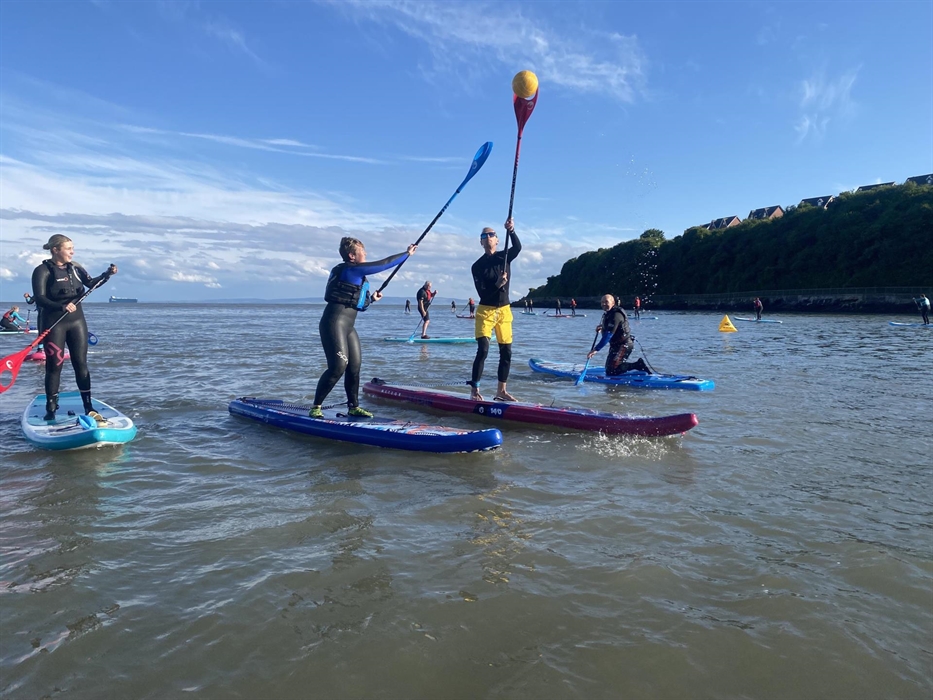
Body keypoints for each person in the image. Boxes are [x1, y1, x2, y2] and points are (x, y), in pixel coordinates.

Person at [309, 237, 417, 419]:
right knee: (338, 367)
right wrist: (407, 254)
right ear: (352, 256)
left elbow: (358, 304)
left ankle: (353, 407)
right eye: (362, 251)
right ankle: (316, 407)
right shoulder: (351, 269)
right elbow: (384, 264)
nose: (365, 254)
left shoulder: (355, 274)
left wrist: (371, 299)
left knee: (354, 367)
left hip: (348, 326)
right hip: (333, 323)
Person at [31, 234, 117, 422]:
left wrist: (106, 275)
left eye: (72, 248)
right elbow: (40, 298)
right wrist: (61, 306)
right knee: (55, 367)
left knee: (81, 364)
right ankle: (51, 409)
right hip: (54, 323)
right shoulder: (42, 271)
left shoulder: (75, 268)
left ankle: (88, 407)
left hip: (77, 322)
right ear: (55, 250)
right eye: (68, 248)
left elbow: (91, 283)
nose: (72, 251)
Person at [469, 219, 521, 402]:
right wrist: (498, 284)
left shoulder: (504, 257)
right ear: (481, 242)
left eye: (492, 234)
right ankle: (474, 390)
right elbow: (482, 293)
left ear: (497, 240)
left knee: (506, 352)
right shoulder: (477, 266)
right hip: (486, 311)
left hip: (504, 311)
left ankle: (501, 391)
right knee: (483, 350)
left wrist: (512, 231)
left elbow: (518, 248)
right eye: (484, 235)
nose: (488, 237)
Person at [587, 294, 651, 375]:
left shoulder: (616, 315)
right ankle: (624, 367)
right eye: (602, 302)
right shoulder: (609, 313)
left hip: (624, 345)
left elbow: (608, 335)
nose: (603, 304)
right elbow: (613, 327)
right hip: (616, 345)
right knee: (609, 369)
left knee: (612, 371)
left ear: (613, 303)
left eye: (606, 302)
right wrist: (603, 327)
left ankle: (638, 365)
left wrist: (595, 350)